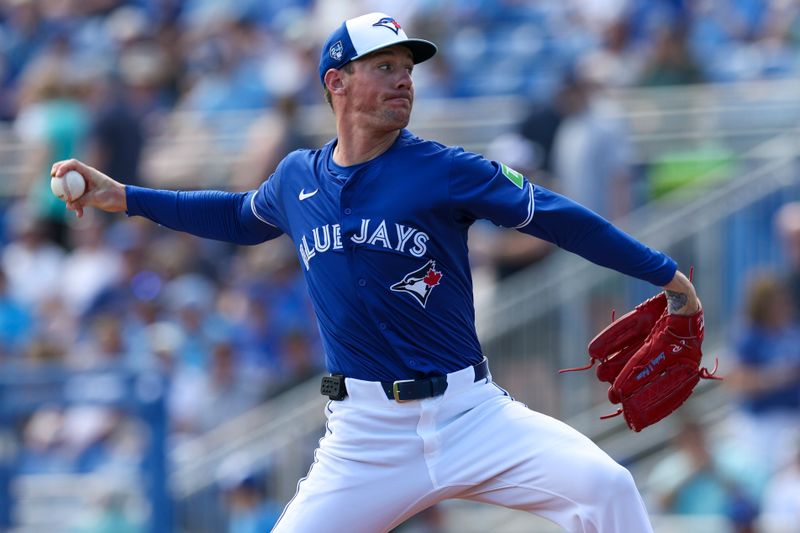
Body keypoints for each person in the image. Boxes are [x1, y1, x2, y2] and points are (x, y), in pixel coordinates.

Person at [51, 12, 703, 532]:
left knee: (609, 490)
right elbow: (235, 216)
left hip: (470, 415)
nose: (404, 80)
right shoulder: (297, 179)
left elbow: (556, 216)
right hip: (363, 438)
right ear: (337, 83)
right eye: (384, 67)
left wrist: (663, 272)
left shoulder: (444, 168)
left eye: (408, 69)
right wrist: (126, 198)